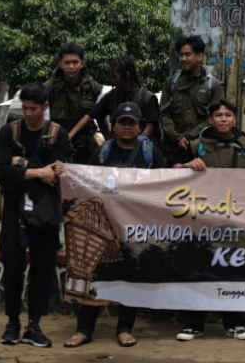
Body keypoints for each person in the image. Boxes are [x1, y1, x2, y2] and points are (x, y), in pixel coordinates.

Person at [65, 101, 167, 349]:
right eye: (123, 122)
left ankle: (124, 329)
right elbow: (85, 179)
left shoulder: (149, 152)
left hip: (135, 227)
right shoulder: (103, 152)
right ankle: (84, 329)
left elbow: (166, 179)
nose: (127, 127)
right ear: (114, 126)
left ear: (140, 126)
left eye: (132, 123)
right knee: (95, 276)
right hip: (103, 225)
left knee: (129, 277)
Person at [173, 100, 245, 341]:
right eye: (218, 115)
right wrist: (187, 165)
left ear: (235, 119)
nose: (223, 119)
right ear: (210, 119)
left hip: (235, 218)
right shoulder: (195, 145)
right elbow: (171, 171)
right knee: (199, 267)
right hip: (201, 218)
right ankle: (193, 324)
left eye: (228, 115)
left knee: (233, 268)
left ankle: (234, 324)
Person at [0, 82, 69, 348]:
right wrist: (37, 172)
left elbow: (57, 174)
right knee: (13, 267)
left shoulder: (57, 134)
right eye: (24, 108)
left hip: (45, 211)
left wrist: (19, 163)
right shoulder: (9, 131)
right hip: (14, 209)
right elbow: (2, 172)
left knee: (42, 269)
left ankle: (34, 325)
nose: (28, 113)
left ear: (45, 107)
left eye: (33, 108)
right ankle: (12, 321)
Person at [159, 35, 222, 164]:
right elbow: (164, 113)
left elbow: (214, 118)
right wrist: (177, 138)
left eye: (188, 55)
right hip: (173, 151)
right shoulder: (171, 83)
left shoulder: (213, 85)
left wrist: (188, 137)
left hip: (202, 150)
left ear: (199, 56)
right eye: (181, 55)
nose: (183, 59)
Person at [44, 43, 105, 164]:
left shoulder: (93, 89)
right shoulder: (48, 88)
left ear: (82, 63)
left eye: (75, 62)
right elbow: (44, 120)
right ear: (60, 64)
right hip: (56, 142)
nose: (71, 66)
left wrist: (109, 142)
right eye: (67, 63)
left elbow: (101, 119)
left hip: (85, 143)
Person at [73, 56, 160, 141]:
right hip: (118, 144)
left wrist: (136, 143)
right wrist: (70, 135)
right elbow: (92, 115)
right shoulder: (112, 96)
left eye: (115, 77)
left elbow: (150, 127)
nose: (112, 80)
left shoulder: (146, 97)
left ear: (127, 75)